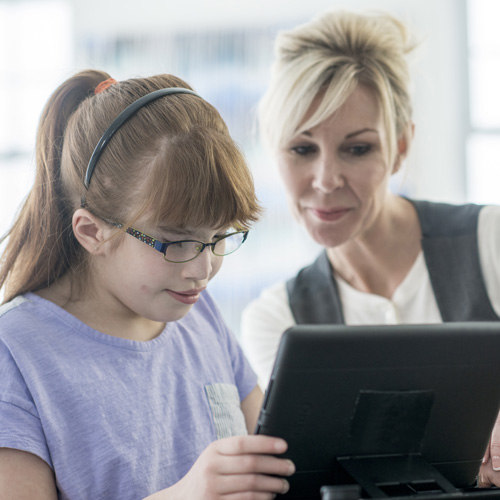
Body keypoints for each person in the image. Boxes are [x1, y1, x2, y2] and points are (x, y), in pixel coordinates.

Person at [0, 70, 295, 500]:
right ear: (92, 232)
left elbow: (276, 466)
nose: (203, 269)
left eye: (218, 238)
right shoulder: (17, 353)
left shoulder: (200, 315)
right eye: (177, 242)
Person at [239, 9, 500, 487]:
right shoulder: (276, 319)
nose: (325, 180)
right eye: (302, 149)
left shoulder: (490, 241)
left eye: (357, 149)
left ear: (400, 146)